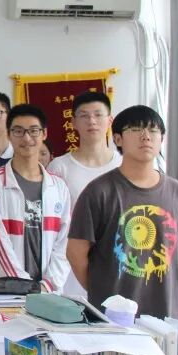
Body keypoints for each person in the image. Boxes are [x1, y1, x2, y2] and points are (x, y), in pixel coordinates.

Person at [67, 106, 178, 319]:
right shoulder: (99, 191)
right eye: (136, 129)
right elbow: (76, 254)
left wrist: (158, 279)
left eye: (153, 130)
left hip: (166, 317)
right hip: (112, 319)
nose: (146, 136)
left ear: (161, 139)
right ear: (117, 139)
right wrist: (101, 291)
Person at [0, 104, 72, 293]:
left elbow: (65, 242)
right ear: (9, 134)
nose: (27, 138)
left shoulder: (59, 187)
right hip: (9, 291)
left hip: (49, 293)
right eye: (18, 131)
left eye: (33, 131)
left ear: (44, 134)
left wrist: (48, 285)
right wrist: (27, 287)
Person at [48, 91, 122, 297]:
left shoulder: (124, 165)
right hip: (69, 263)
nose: (92, 121)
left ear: (110, 120)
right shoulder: (59, 167)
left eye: (98, 114)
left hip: (116, 258)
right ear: (73, 122)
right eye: (84, 115)